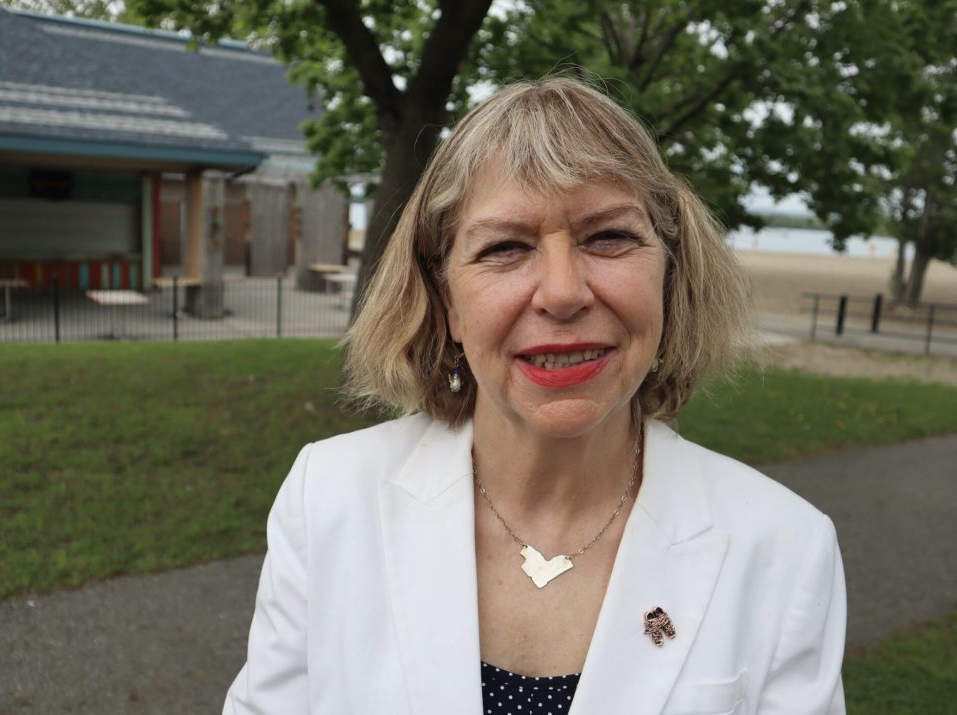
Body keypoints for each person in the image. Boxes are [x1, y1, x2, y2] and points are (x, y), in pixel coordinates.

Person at [223, 77, 846, 714]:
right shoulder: (326, 497)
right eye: (505, 247)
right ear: (448, 306)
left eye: (608, 237)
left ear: (670, 275)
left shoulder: (785, 549)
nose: (562, 292)